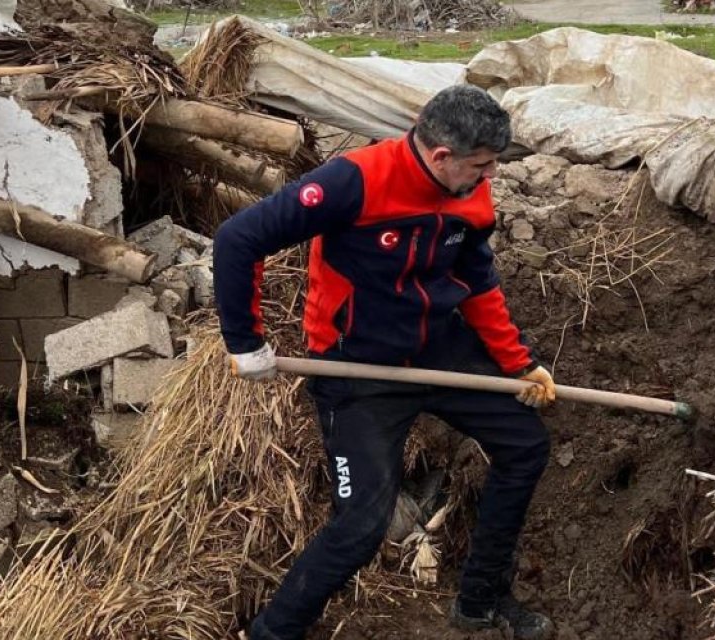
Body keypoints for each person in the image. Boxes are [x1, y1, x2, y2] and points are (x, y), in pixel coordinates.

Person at [212, 85, 557, 640]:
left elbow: (475, 282)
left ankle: (480, 599)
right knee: (361, 526)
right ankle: (270, 633)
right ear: (441, 156)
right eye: (481, 165)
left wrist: (518, 364)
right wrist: (243, 341)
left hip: (438, 353)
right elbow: (237, 239)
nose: (488, 177)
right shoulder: (354, 180)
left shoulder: (472, 196)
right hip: (357, 368)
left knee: (525, 446)